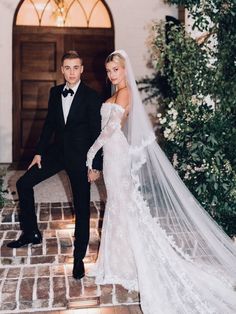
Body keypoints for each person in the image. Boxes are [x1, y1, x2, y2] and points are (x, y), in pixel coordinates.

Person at [86, 50, 236, 314]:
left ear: (124, 70)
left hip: (116, 153)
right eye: (108, 70)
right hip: (111, 156)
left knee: (121, 205)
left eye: (116, 70)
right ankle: (118, 262)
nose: (111, 75)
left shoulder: (124, 93)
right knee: (118, 207)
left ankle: (126, 264)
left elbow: (111, 128)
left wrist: (90, 152)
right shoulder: (116, 92)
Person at [7, 50, 102, 280]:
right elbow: (49, 124)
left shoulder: (91, 96)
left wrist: (95, 165)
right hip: (57, 153)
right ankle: (31, 233)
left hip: (81, 158)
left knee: (81, 207)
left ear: (81, 70)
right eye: (67, 67)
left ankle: (79, 258)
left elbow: (97, 133)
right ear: (62, 69)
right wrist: (39, 152)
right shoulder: (54, 92)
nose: (71, 72)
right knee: (23, 183)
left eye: (75, 67)